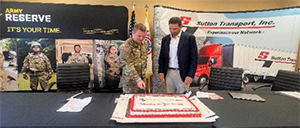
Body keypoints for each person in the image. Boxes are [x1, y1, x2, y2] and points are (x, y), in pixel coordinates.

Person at [158, 17, 198, 93]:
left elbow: (194, 59)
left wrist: (190, 75)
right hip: (169, 73)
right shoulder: (165, 39)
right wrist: (161, 72)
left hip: (182, 73)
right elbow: (162, 57)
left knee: (182, 97)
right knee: (170, 97)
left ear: (180, 26)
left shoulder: (189, 38)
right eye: (170, 28)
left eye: (175, 29)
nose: (172, 31)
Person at [119, 23, 148, 93]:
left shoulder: (144, 44)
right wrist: (137, 79)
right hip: (130, 83)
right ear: (133, 33)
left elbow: (144, 61)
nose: (141, 38)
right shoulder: (126, 46)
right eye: (139, 36)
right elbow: (127, 65)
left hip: (142, 80)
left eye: (143, 36)